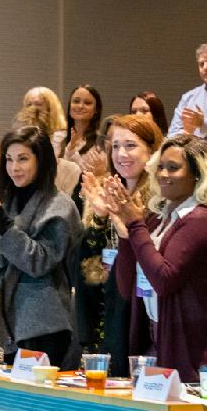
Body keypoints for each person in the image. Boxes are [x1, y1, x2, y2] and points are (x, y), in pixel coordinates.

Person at [101, 134, 207, 380]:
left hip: (195, 351)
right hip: (157, 341)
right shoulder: (157, 217)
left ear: (198, 175)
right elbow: (126, 286)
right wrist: (125, 233)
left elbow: (164, 279)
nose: (163, 174)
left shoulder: (199, 219)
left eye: (173, 168)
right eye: (161, 167)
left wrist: (134, 225)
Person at [0, 125, 81, 368]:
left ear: (41, 160)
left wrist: (2, 226)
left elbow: (38, 261)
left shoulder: (60, 207)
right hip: (1, 325)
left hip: (42, 323)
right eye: (9, 160)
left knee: (37, 403)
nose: (14, 168)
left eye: (23, 159)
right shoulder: (2, 202)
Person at [79, 113, 164, 373]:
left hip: (142, 307)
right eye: (115, 146)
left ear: (151, 151)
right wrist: (100, 217)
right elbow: (87, 267)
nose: (121, 154)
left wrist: (123, 220)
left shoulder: (160, 198)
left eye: (130, 145)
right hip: (109, 304)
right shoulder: (108, 190)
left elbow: (153, 257)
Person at [56, 84, 103, 166]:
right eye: (76, 101)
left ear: (96, 110)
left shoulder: (101, 142)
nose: (80, 106)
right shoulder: (58, 138)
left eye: (87, 103)